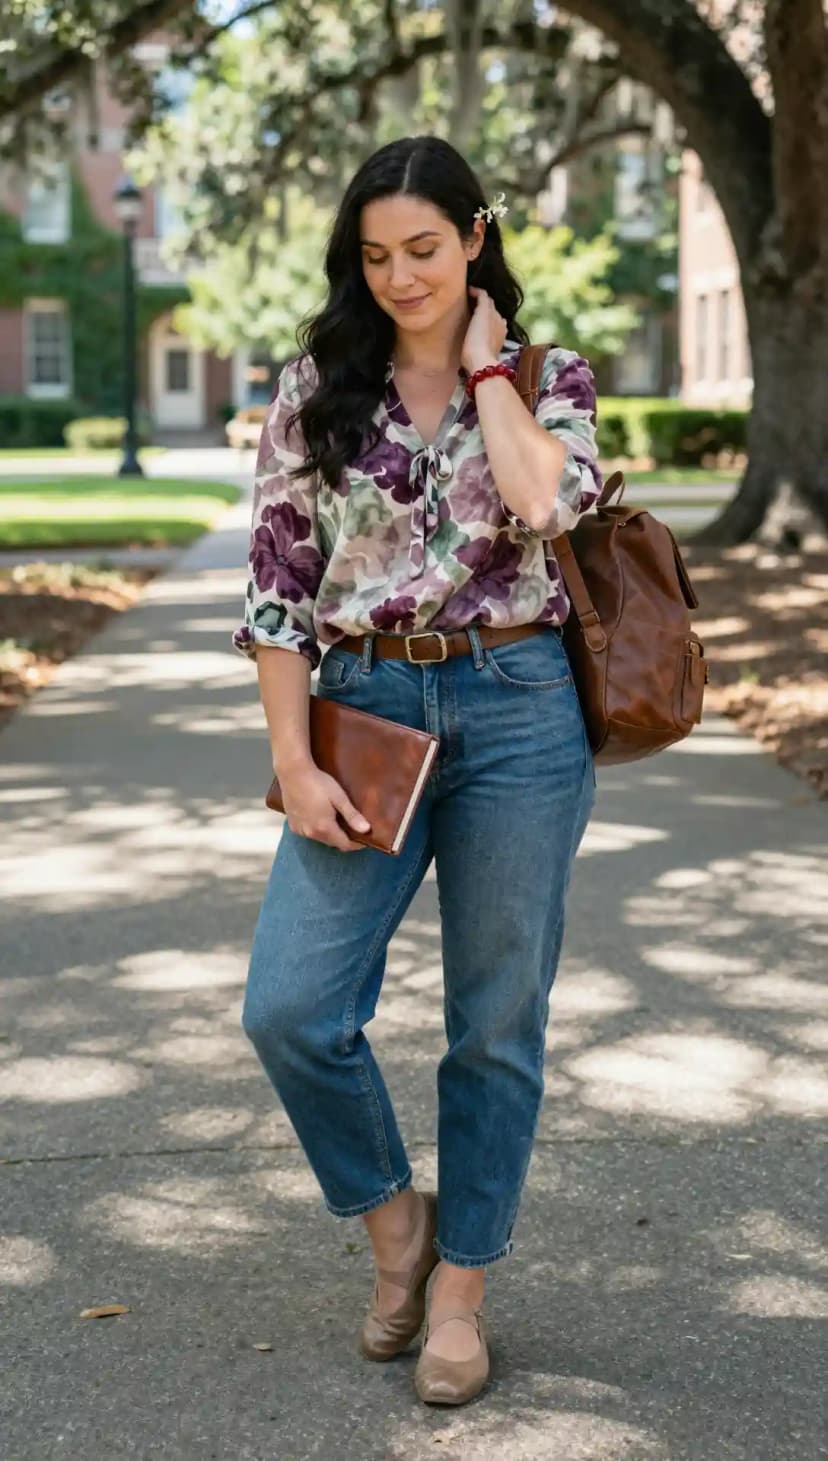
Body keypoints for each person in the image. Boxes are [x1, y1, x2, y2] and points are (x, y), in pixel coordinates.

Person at [233, 135, 599, 1407]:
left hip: (520, 707)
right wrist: (293, 756)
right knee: (290, 1007)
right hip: (364, 707)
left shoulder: (552, 377)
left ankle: (460, 1292)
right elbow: (278, 588)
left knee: (496, 1023)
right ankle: (399, 1228)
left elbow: (543, 503)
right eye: (376, 255)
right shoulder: (317, 383)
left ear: (478, 237)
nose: (399, 276)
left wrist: (490, 367)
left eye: (425, 249)